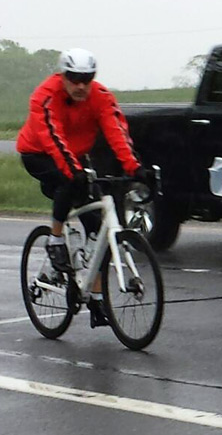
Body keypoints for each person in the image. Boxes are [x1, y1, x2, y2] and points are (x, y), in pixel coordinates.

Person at [17, 48, 148, 327]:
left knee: (96, 228)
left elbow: (116, 132)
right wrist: (74, 171)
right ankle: (54, 240)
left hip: (74, 155)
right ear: (62, 76)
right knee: (68, 181)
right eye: (74, 78)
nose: (80, 85)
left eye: (86, 79)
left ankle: (97, 299)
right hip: (38, 152)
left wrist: (134, 168)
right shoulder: (45, 96)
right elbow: (52, 137)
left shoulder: (100, 96)